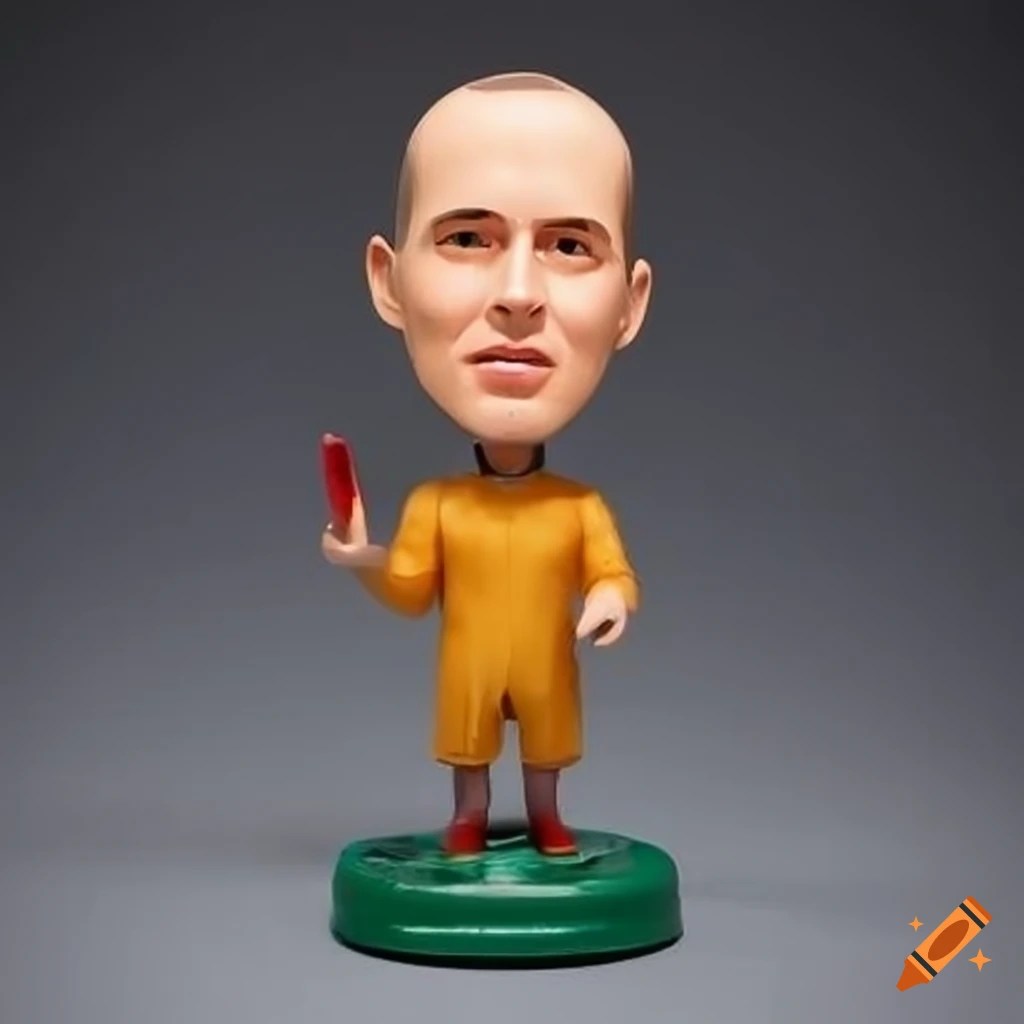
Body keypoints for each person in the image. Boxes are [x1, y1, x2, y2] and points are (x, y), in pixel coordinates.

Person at [321, 71, 653, 856]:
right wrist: (364, 559)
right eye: (467, 238)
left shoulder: (577, 507)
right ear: (389, 280)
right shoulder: (439, 504)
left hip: (546, 669)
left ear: (630, 304)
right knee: (469, 747)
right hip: (468, 669)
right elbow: (411, 591)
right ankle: (467, 818)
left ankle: (546, 817)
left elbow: (613, 571)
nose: (518, 295)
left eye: (570, 245)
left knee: (546, 748)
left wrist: (612, 597)